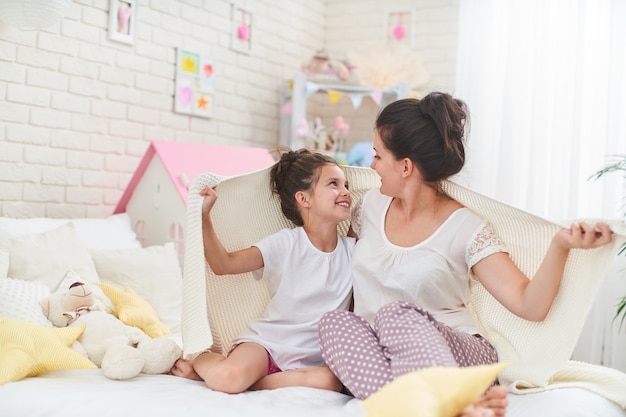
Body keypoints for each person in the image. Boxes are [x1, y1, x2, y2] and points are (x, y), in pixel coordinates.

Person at [317, 93, 614, 417]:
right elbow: (344, 284)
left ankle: (448, 398)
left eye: (377, 156)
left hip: (457, 352)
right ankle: (430, 408)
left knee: (394, 315)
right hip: (383, 357)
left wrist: (560, 245)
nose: (371, 166)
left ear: (405, 166)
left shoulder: (465, 228)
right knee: (334, 322)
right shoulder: (368, 208)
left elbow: (530, 305)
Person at [170, 148, 355, 394]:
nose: (345, 192)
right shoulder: (286, 243)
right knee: (228, 378)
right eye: (334, 184)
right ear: (304, 199)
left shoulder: (354, 251)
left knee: (329, 382)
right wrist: (204, 216)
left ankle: (252, 384)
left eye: (346, 185)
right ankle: (200, 361)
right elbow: (223, 264)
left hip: (312, 360)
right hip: (267, 345)